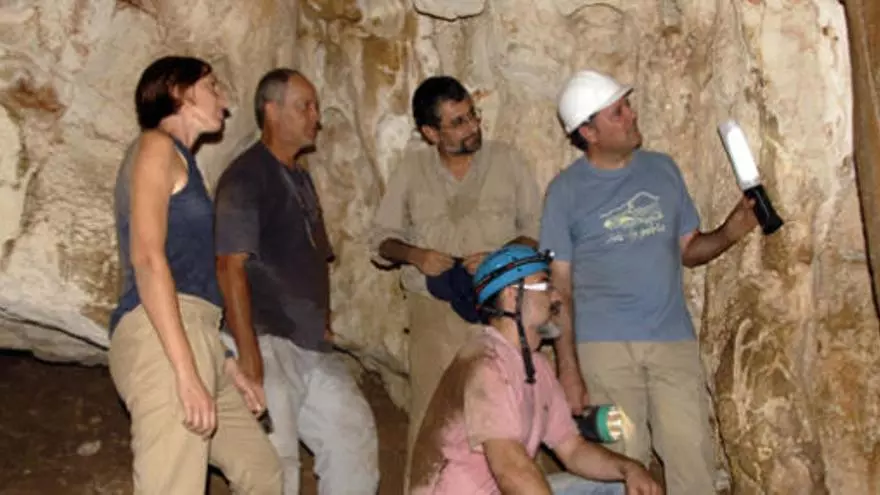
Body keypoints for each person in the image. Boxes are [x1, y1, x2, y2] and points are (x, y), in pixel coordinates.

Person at [541, 69, 759, 494]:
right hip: (605, 351)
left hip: (671, 339)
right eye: (617, 112)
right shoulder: (565, 193)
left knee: (692, 455)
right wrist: (568, 369)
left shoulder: (663, 171)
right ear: (588, 132)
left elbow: (689, 250)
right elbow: (559, 289)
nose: (631, 115)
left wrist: (731, 231)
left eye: (627, 106)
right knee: (624, 459)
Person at [108, 55, 282, 494]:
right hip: (160, 338)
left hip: (199, 334)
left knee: (262, 471)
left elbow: (188, 272)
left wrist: (225, 363)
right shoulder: (156, 146)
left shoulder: (185, 163)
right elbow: (149, 259)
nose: (224, 100)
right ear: (180, 93)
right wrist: (185, 374)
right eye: (213, 87)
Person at [214, 68, 379, 495]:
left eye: (316, 107)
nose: (316, 117)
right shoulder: (246, 178)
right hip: (265, 340)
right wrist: (249, 355)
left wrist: (323, 319)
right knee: (277, 461)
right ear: (272, 111)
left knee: (352, 436)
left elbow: (313, 257)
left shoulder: (299, 178)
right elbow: (229, 266)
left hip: (309, 342)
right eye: (305, 106)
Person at [370, 75, 543, 470]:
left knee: (502, 416)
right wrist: (416, 255)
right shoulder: (412, 170)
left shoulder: (507, 161)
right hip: (433, 311)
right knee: (433, 416)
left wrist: (500, 258)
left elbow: (535, 230)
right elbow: (380, 240)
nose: (472, 127)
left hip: (499, 310)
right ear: (431, 133)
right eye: (458, 122)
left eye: (472, 116)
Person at [409, 244, 662, 495]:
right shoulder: (486, 364)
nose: (556, 297)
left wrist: (630, 468)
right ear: (512, 296)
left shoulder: (536, 365)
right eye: (544, 286)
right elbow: (511, 469)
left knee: (621, 487)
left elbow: (572, 449)